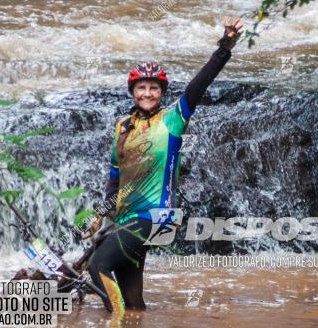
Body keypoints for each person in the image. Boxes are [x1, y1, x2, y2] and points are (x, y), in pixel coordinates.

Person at [86, 17, 244, 312]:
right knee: (133, 300)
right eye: (141, 87)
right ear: (133, 91)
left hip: (156, 218)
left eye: (154, 88)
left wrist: (225, 46)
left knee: (98, 267)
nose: (147, 93)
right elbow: (114, 180)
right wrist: (100, 215)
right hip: (127, 220)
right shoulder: (121, 128)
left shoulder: (173, 120)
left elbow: (200, 84)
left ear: (162, 92)